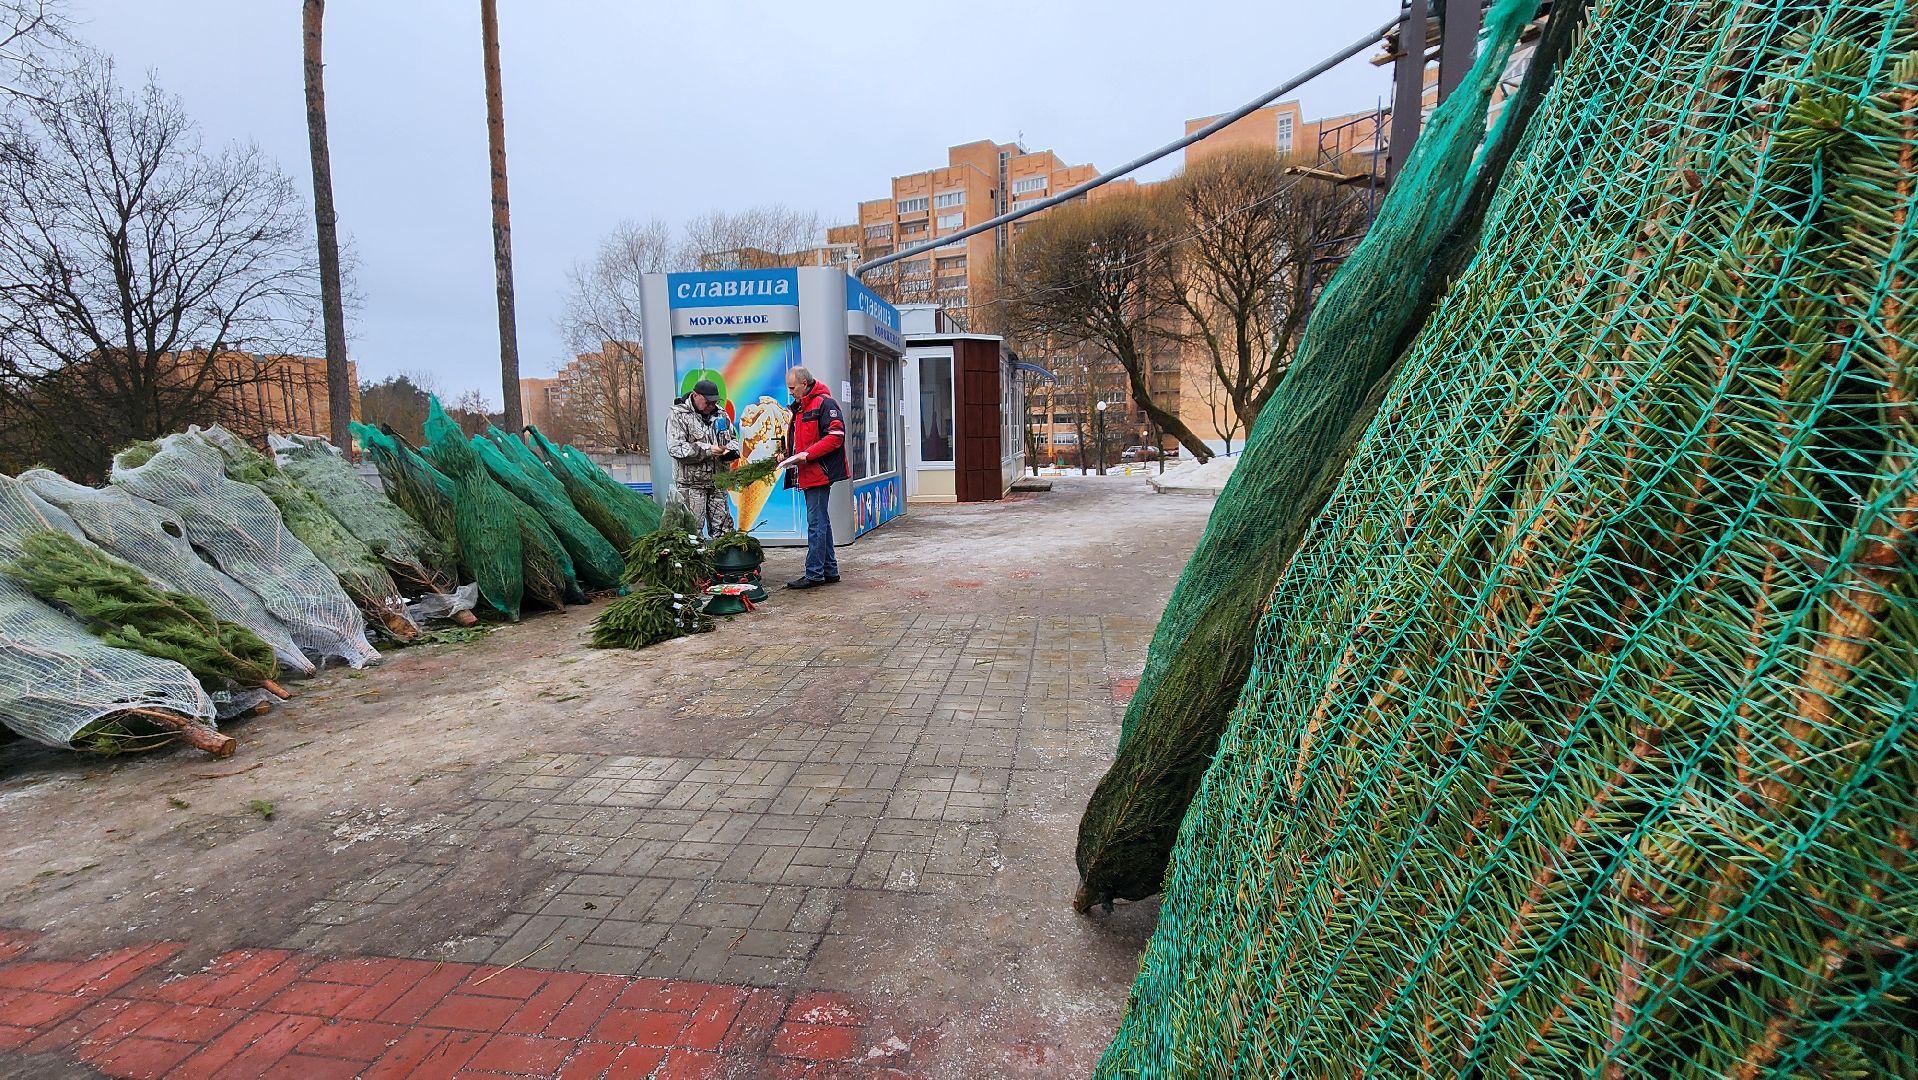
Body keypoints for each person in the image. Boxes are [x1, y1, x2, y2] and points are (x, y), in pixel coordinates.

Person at [776, 366, 847, 589]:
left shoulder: (825, 403)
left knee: (815, 524)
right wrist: (788, 454)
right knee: (821, 521)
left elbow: (836, 437)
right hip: (809, 472)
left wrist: (807, 455)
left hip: (818, 472)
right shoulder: (801, 406)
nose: (790, 392)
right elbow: (803, 439)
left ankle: (814, 574)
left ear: (804, 384)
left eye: (792, 387)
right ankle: (829, 570)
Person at [666, 378, 738, 536]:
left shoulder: (721, 414)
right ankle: (695, 560)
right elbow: (676, 448)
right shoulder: (678, 415)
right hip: (691, 486)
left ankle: (724, 560)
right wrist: (708, 450)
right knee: (692, 533)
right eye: (707, 402)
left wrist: (729, 452)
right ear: (695, 395)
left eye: (714, 402)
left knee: (725, 531)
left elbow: (733, 440)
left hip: (718, 483)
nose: (711, 406)